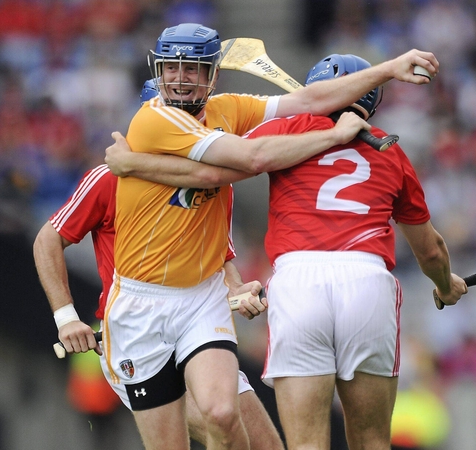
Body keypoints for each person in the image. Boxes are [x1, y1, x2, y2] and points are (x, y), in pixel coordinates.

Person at [96, 22, 437, 449]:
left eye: (191, 69)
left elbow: (307, 100)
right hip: (141, 301)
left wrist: (391, 67)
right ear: (159, 70)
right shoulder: (154, 119)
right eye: (171, 68)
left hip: (206, 298)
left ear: (212, 75)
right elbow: (246, 161)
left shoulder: (230, 109)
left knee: (229, 416)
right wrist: (332, 134)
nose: (179, 78)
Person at [249, 54, 468, 450]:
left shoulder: (282, 129)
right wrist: (445, 285)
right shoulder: (391, 152)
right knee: (371, 442)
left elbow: (222, 161)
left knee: (305, 445)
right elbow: (431, 251)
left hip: (298, 281)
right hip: (367, 282)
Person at [33, 162, 283, 447]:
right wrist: (66, 317)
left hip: (195, 331)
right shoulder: (110, 179)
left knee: (263, 444)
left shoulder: (214, 179)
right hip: (137, 339)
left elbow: (220, 259)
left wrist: (236, 289)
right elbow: (47, 240)